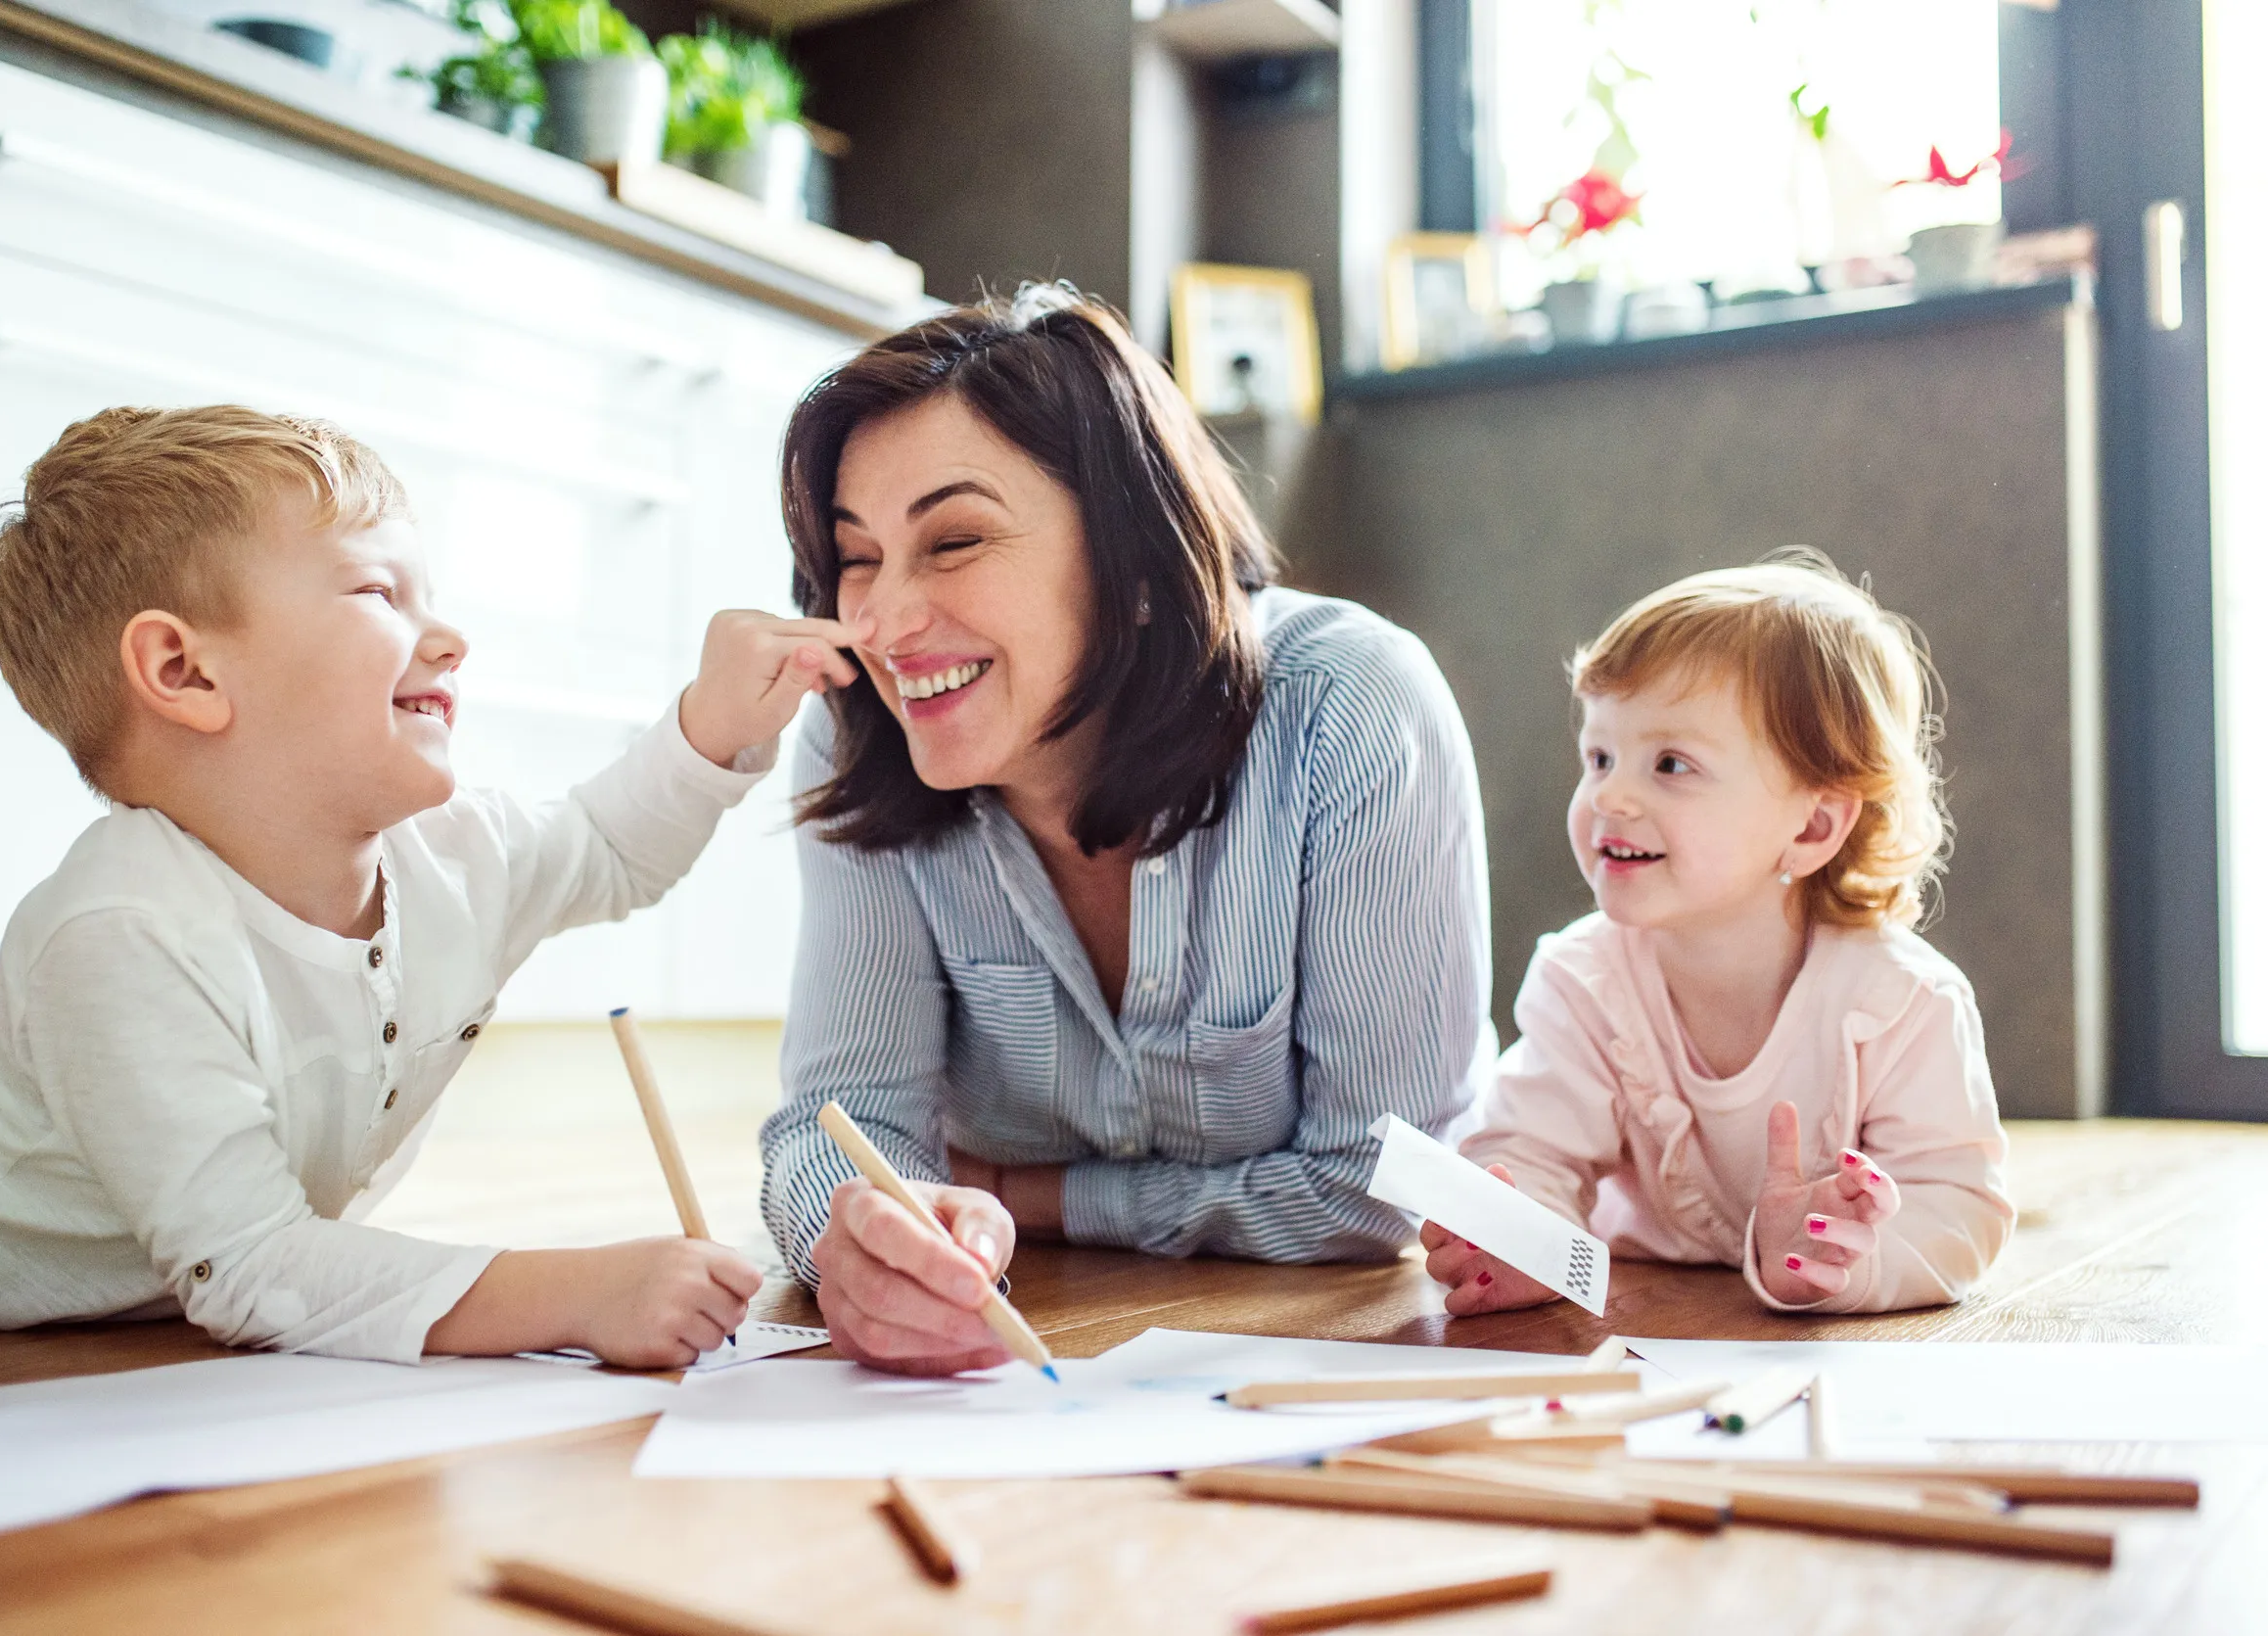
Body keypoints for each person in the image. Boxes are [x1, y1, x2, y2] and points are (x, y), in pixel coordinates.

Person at [0, 405, 861, 1366]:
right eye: (377, 592)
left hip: (11, 1055)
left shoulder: (452, 852)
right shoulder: (115, 937)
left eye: (428, 597)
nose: (448, 638)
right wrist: (574, 1289)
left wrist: (717, 719)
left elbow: (606, 847)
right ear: (184, 673)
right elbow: (253, 1267)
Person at [758, 285, 1496, 1375]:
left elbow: (1378, 1189)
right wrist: (859, 1233)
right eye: (856, 555)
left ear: (1135, 563)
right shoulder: (854, 742)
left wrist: (1034, 1198)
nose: (876, 620)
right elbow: (837, 1129)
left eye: (952, 540)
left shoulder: (1353, 708)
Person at [1429, 552, 2013, 1317]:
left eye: (1670, 763)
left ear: (1811, 825)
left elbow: (1959, 1205)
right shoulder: (1584, 979)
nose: (1610, 793)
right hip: (1638, 1310)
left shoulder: (1902, 1002)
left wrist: (1835, 1260)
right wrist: (1520, 1241)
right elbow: (1528, 1150)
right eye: (1599, 755)